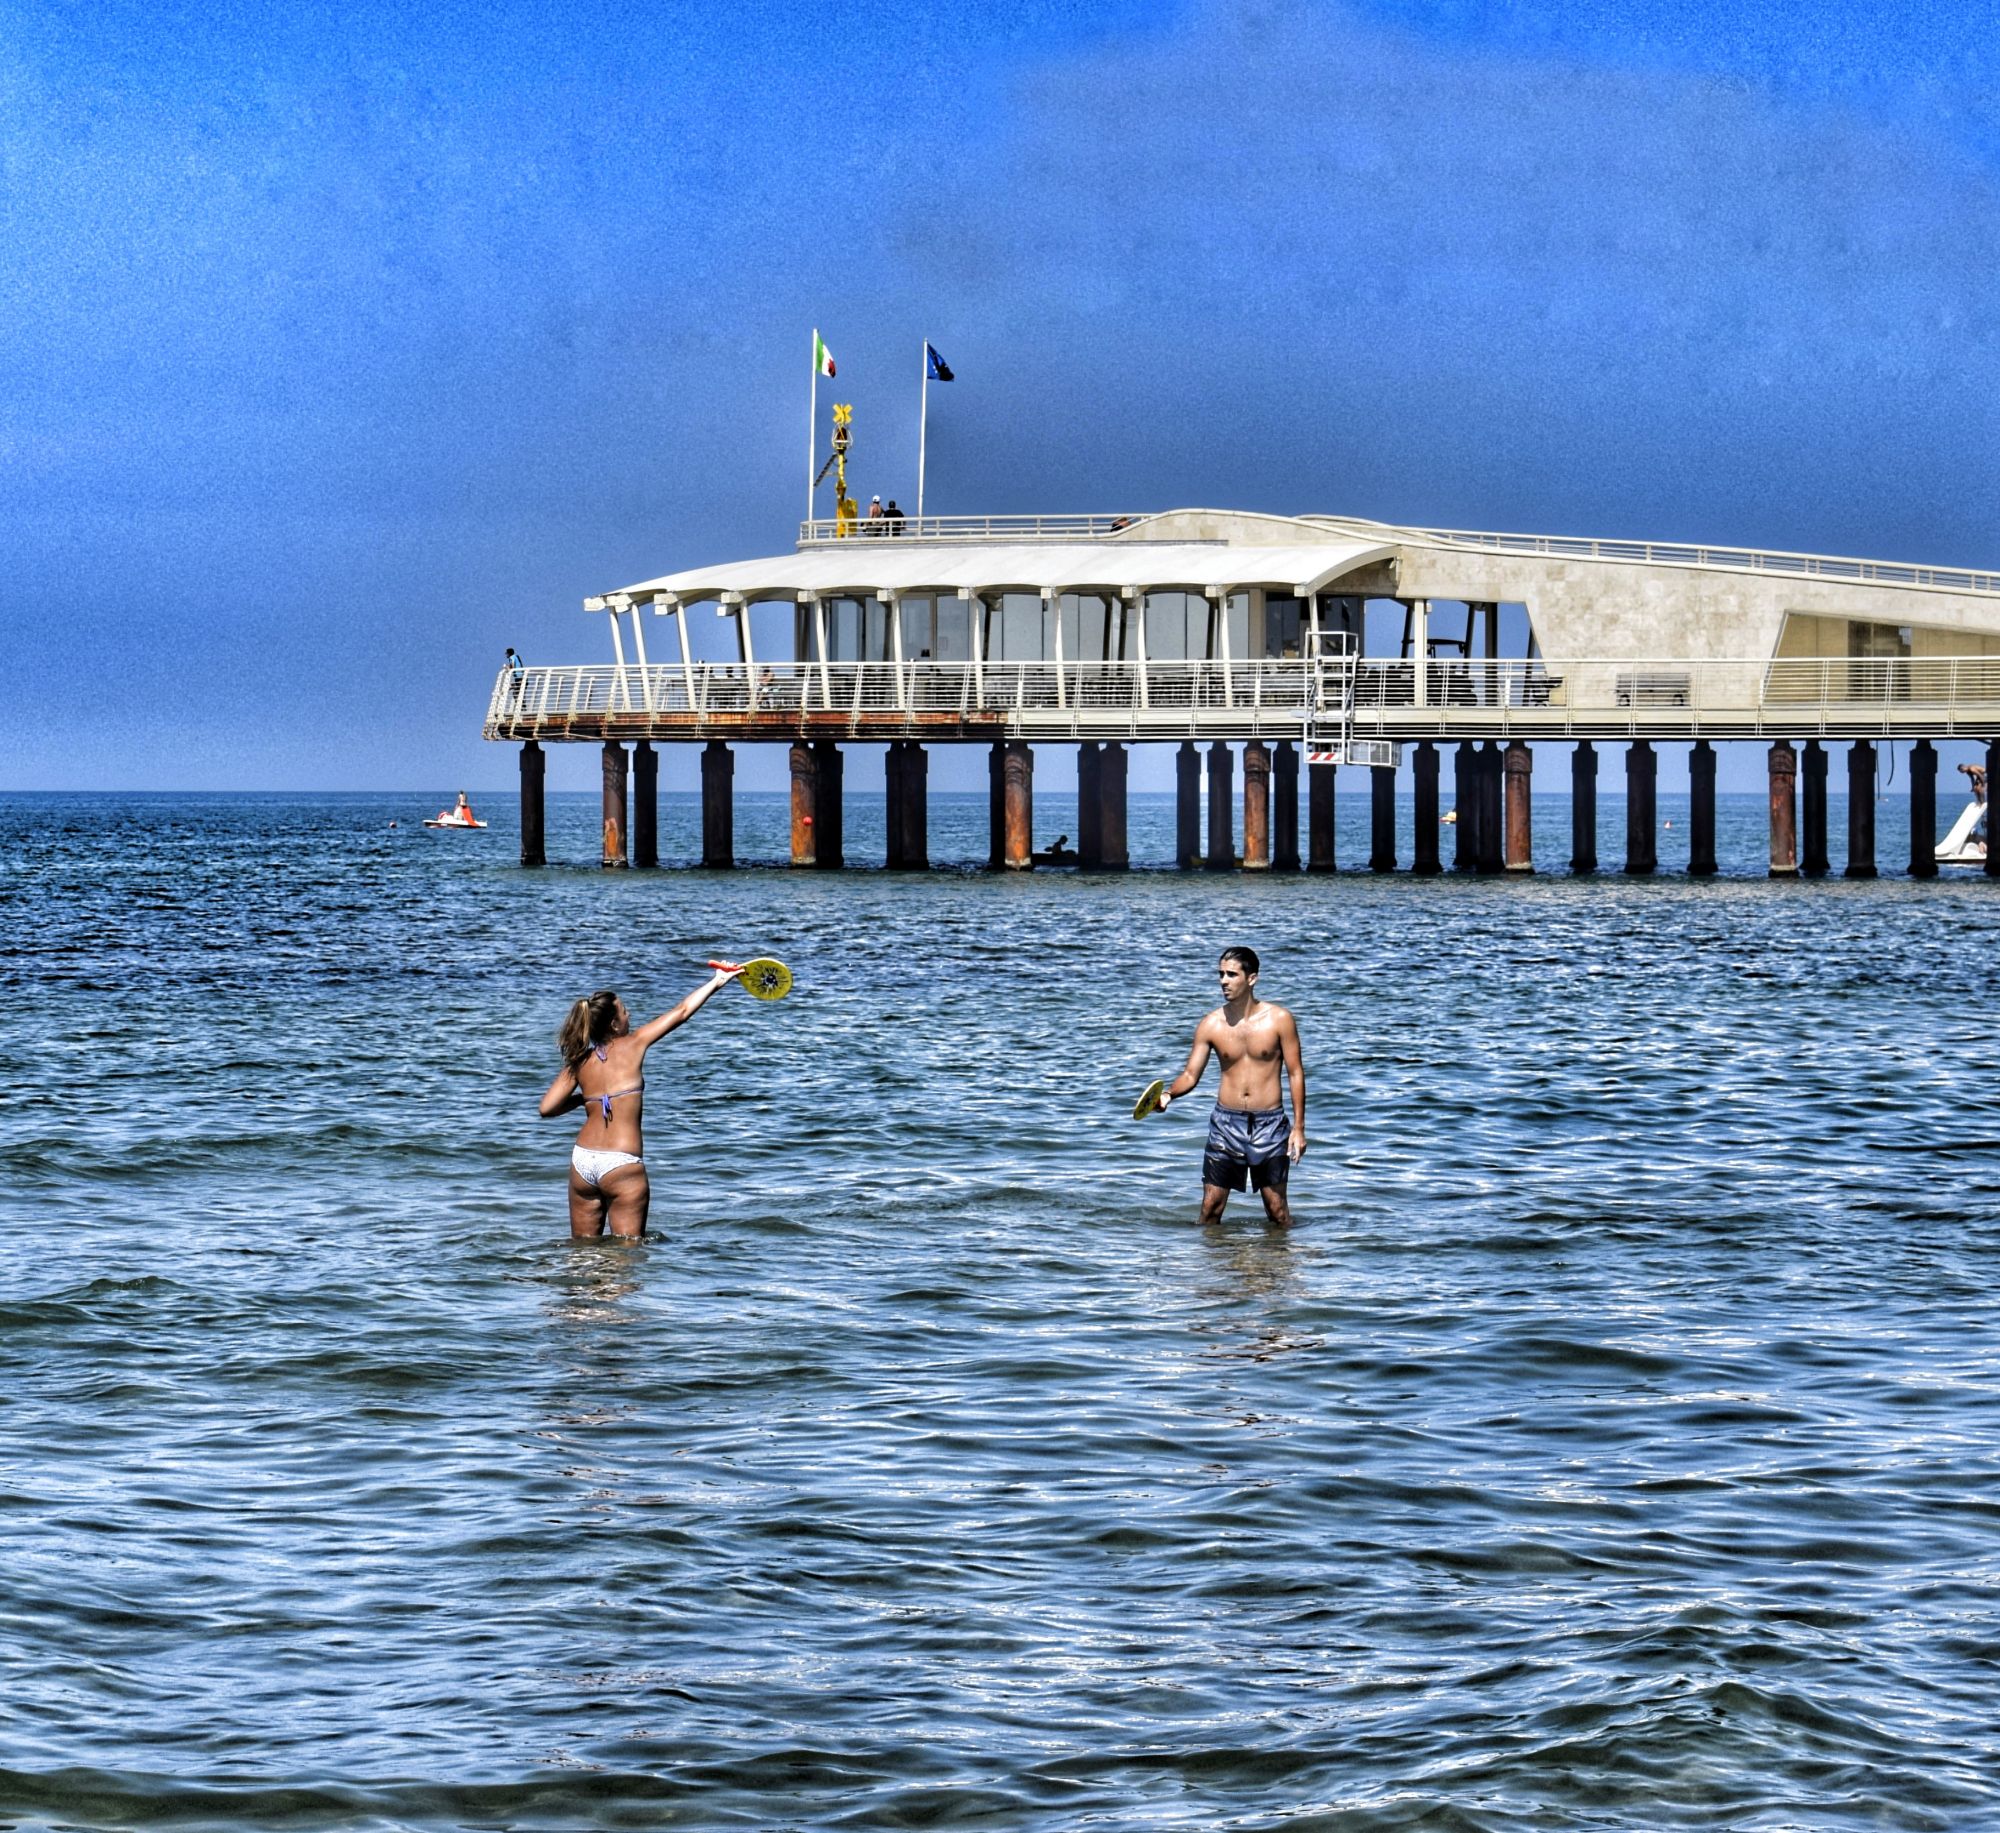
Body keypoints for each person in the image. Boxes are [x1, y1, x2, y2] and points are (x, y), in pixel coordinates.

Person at [539, 968, 743, 1240]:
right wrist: (718, 981)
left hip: (583, 1161)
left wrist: (585, 1098)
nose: (629, 1015)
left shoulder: (578, 1060)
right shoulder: (634, 1043)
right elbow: (682, 1011)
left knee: (581, 1255)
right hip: (621, 1164)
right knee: (626, 1261)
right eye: (624, 1011)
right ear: (614, 1024)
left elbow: (547, 1108)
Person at [1147, 946, 1307, 1227]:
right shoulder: (1211, 1024)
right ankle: (1213, 1269)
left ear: (1252, 978)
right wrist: (1169, 1094)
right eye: (1220, 974)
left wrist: (1298, 1128)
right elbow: (1190, 1073)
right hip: (1225, 1124)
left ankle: (1281, 1268)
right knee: (1210, 1209)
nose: (1223, 980)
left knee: (1277, 1211)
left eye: (1231, 974)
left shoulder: (1280, 1020)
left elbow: (1295, 1073)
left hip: (1269, 1125)